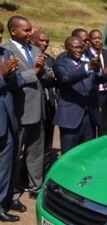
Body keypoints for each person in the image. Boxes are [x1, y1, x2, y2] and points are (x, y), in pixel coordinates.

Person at [1, 15, 47, 209]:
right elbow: (15, 79)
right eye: (26, 30)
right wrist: (34, 71)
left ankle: (36, 187)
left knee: (36, 152)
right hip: (17, 111)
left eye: (31, 30)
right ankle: (11, 196)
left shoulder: (35, 49)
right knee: (11, 158)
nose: (31, 33)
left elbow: (42, 74)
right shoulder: (6, 50)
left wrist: (43, 70)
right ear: (13, 31)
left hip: (38, 109)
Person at [53, 36, 103, 153]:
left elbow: (101, 79)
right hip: (70, 118)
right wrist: (89, 67)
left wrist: (98, 69)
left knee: (87, 153)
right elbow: (66, 79)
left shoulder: (87, 63)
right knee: (69, 154)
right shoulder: (60, 64)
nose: (79, 50)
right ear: (67, 48)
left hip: (89, 117)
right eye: (75, 47)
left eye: (81, 47)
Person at [0, 23, 22, 223]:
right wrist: (2, 76)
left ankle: (1, 204)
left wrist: (13, 74)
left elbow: (19, 81)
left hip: (7, 119)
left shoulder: (6, 53)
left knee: (5, 165)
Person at [30, 30, 57, 171]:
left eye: (47, 41)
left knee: (47, 141)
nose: (45, 44)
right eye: (41, 40)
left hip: (49, 105)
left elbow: (54, 80)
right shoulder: (28, 58)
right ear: (32, 41)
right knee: (31, 144)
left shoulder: (50, 59)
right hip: (32, 107)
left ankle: (44, 171)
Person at [86, 29, 107, 136]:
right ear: (89, 40)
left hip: (106, 93)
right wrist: (105, 72)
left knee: (105, 124)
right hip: (94, 93)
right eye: (94, 38)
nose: (97, 41)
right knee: (93, 123)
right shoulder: (86, 54)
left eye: (99, 38)